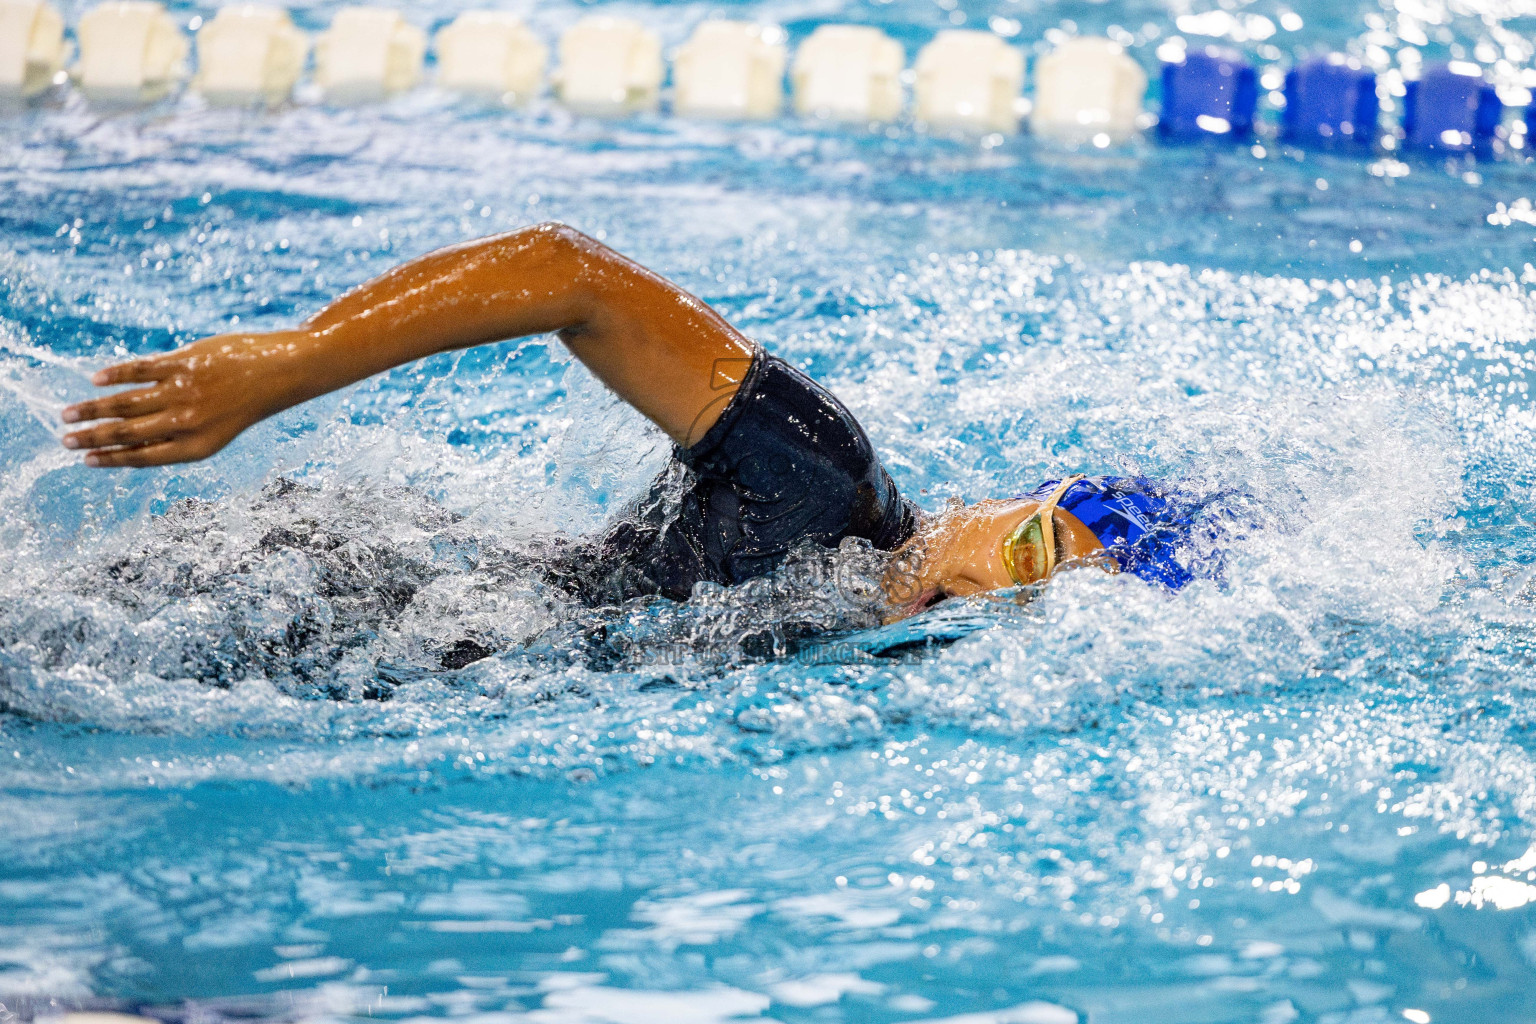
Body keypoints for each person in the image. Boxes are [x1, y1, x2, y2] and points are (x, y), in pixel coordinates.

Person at [60, 223, 1210, 621]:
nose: (993, 597)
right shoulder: (822, 480)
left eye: (1037, 612)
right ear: (1008, 501)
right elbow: (570, 275)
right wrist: (287, 367)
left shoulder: (870, 654)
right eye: (1031, 551)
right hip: (328, 585)